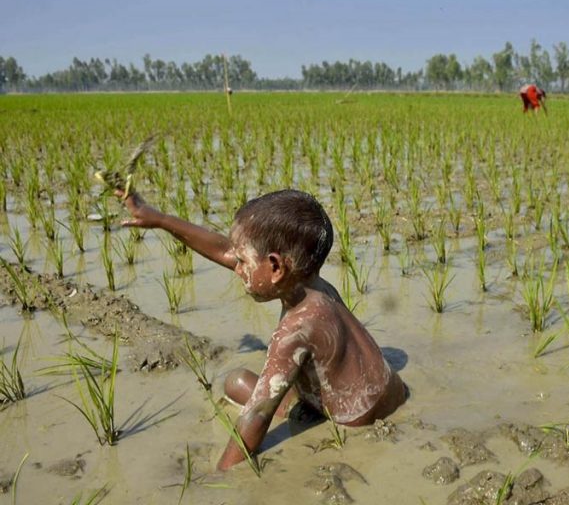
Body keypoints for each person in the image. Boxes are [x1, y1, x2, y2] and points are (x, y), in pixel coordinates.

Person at [117, 188, 407, 471]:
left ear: (276, 267)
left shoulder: (294, 328)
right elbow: (224, 250)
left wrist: (220, 475)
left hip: (352, 420)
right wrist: (160, 219)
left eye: (241, 261)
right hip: (390, 393)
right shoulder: (318, 287)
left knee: (238, 384)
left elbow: (257, 415)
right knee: (237, 382)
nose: (236, 266)